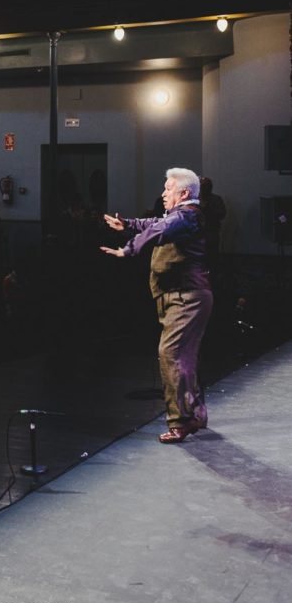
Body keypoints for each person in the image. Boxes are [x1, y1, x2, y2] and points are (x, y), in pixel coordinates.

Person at [101, 167, 212, 444]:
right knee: (184, 357)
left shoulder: (186, 216)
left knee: (171, 354)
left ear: (184, 193)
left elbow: (159, 228)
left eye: (168, 189)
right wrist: (127, 224)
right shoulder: (181, 216)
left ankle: (181, 421)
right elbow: (155, 223)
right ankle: (195, 413)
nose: (163, 193)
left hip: (185, 297)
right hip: (181, 296)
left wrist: (128, 249)